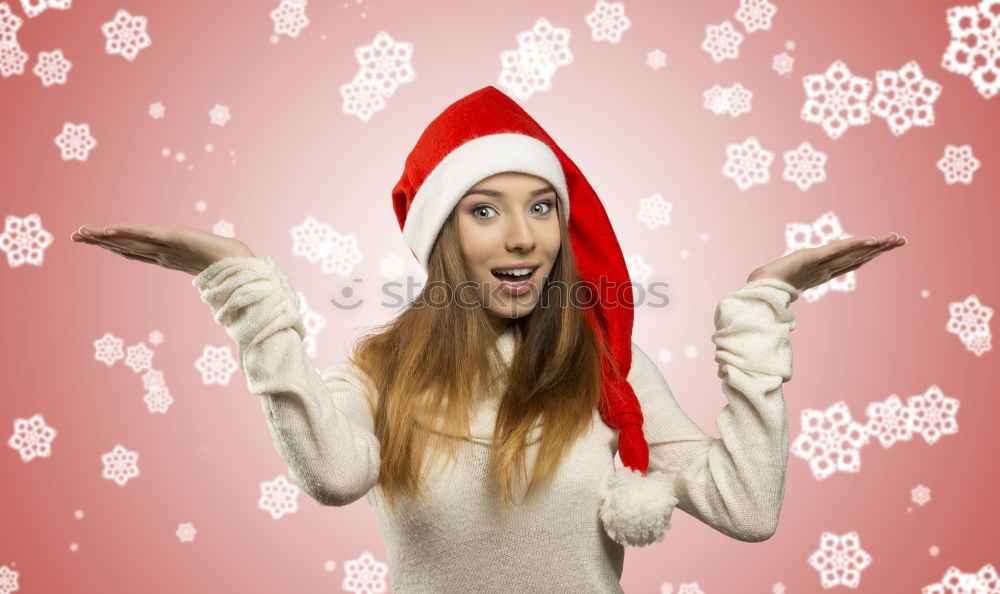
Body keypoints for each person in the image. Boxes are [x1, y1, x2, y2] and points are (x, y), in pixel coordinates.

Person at [71, 85, 907, 593]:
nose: (522, 238)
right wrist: (246, 287)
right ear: (441, 237)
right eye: (485, 210)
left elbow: (749, 508)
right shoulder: (376, 370)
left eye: (541, 207)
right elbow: (332, 475)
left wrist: (761, 312)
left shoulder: (608, 370)